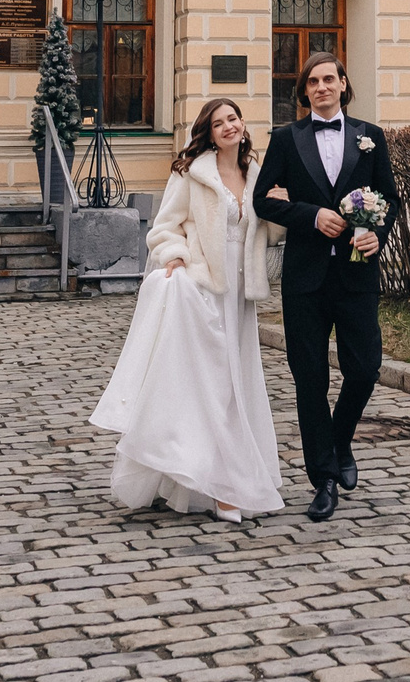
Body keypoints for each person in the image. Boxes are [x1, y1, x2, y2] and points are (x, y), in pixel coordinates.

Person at [89, 97, 284, 523]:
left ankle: (210, 478)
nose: (229, 127)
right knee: (212, 386)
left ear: (243, 124)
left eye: (233, 119)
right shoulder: (191, 173)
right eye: (219, 123)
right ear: (209, 133)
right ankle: (223, 486)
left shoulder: (255, 174)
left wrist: (280, 205)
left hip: (239, 294)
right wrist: (175, 257)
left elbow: (267, 233)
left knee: (238, 383)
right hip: (204, 288)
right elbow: (163, 228)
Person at [253, 50, 399, 523]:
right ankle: (324, 480)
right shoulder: (286, 139)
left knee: (365, 369)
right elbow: (262, 201)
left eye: (328, 79)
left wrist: (379, 231)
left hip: (356, 275)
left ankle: (340, 441)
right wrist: (311, 215)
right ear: (304, 91)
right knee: (309, 379)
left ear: (342, 84)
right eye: (312, 82)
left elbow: (390, 200)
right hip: (305, 280)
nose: (321, 87)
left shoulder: (369, 136)